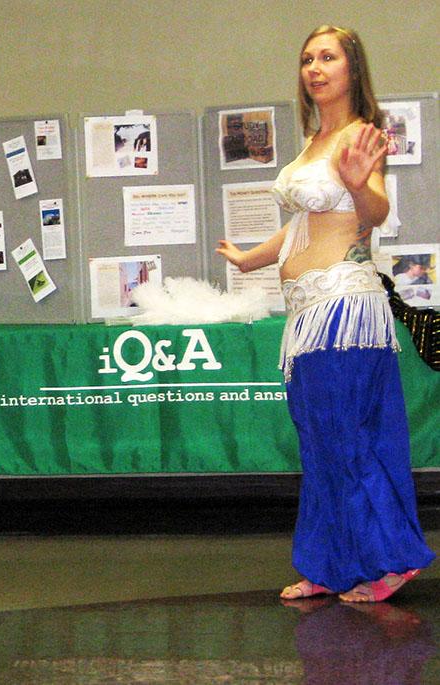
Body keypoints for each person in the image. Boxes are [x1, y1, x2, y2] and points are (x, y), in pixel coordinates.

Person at [216, 26, 434, 603]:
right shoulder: (313, 142)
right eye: (308, 58)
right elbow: (300, 227)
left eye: (328, 57)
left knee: (350, 437)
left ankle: (390, 561)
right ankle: (330, 563)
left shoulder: (361, 137)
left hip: (345, 305)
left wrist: (362, 185)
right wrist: (250, 257)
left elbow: (375, 209)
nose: (315, 67)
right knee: (317, 440)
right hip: (306, 312)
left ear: (351, 69)